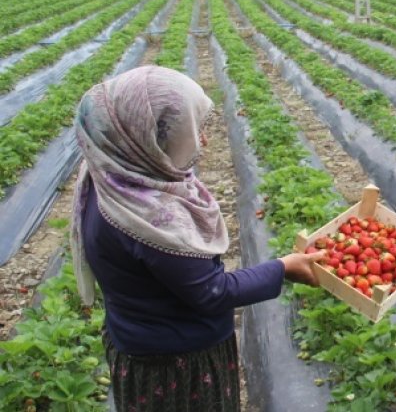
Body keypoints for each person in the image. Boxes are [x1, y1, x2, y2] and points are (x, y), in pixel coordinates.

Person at [70, 66, 324, 412]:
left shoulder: (111, 177)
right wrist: (283, 268)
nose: (202, 141)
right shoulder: (155, 222)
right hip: (175, 363)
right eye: (188, 131)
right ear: (147, 139)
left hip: (135, 340)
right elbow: (213, 291)